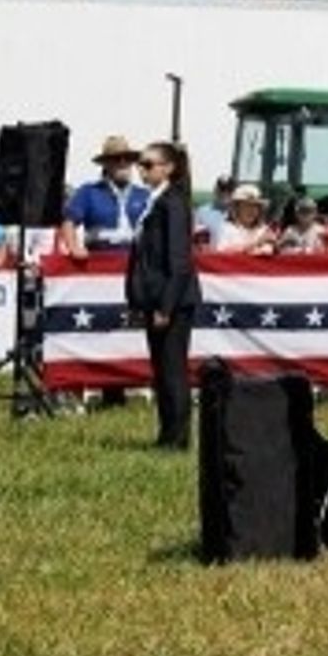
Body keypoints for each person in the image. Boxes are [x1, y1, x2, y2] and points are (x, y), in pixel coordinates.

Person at [125, 141, 200, 450]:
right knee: (160, 370)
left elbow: (179, 261)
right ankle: (166, 432)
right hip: (154, 298)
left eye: (148, 164)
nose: (141, 170)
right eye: (140, 164)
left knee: (172, 370)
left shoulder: (174, 203)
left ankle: (178, 437)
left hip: (173, 302)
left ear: (168, 168)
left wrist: (166, 306)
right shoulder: (153, 202)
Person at [60, 135, 152, 259]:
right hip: (100, 264)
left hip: (136, 263)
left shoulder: (144, 195)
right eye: (116, 159)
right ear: (106, 164)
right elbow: (69, 222)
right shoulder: (89, 192)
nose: (122, 163)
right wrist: (74, 247)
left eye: (127, 159)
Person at [213, 184, 277, 253]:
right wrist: (256, 243)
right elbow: (222, 253)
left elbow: (267, 253)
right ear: (237, 209)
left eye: (255, 206)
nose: (251, 211)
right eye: (246, 206)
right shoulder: (226, 229)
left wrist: (274, 244)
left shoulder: (263, 230)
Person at [193, 174, 236, 247]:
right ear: (215, 190)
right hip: (208, 256)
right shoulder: (202, 212)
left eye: (229, 190)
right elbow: (194, 237)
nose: (225, 193)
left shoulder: (238, 215)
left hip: (231, 256)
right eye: (222, 190)